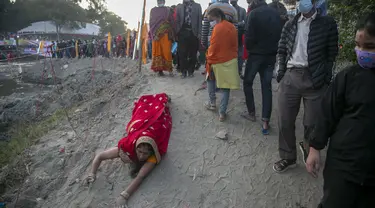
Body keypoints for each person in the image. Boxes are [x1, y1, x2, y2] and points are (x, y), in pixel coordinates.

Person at [306, 12, 375, 208]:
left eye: (369, 46)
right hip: (343, 166)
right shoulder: (347, 77)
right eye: (358, 45)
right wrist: (314, 148)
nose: (361, 51)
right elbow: (327, 113)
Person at [273, 0, 338, 173]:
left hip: (314, 79)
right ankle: (288, 156)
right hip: (290, 76)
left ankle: (310, 150)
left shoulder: (327, 24)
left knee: (312, 123)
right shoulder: (290, 24)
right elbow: (281, 48)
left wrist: (325, 77)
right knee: (285, 120)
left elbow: (332, 53)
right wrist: (281, 72)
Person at [85, 93, 172, 207]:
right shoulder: (127, 146)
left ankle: (164, 100)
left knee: (162, 116)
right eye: (139, 152)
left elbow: (141, 176)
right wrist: (92, 173)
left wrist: (124, 196)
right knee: (145, 111)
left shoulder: (153, 154)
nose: (141, 156)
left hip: (155, 130)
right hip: (141, 129)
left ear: (151, 152)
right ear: (135, 147)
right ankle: (162, 99)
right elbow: (100, 156)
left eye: (145, 154)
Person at [242, 0, 282, 135]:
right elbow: (280, 35)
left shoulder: (253, 14)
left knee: (247, 82)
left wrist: (251, 48)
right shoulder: (276, 14)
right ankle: (265, 121)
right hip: (270, 55)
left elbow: (248, 37)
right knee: (267, 86)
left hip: (256, 55)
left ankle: (251, 113)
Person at [205, 8, 240, 122]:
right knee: (226, 88)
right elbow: (235, 45)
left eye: (211, 19)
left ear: (217, 16)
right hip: (229, 61)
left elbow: (213, 46)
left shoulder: (217, 28)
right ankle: (222, 113)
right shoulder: (232, 27)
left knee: (210, 80)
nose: (210, 22)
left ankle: (212, 104)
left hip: (216, 61)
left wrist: (208, 57)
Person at [176, 0, 202, 78]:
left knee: (193, 53)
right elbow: (177, 20)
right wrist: (177, 32)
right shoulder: (179, 6)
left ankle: (191, 71)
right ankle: (183, 71)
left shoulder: (197, 6)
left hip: (193, 33)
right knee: (182, 53)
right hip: (182, 32)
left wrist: (199, 33)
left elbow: (200, 20)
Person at [149, 0, 175, 76]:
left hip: (166, 34)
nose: (160, 2)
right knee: (157, 52)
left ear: (164, 1)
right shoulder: (153, 10)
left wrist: (173, 34)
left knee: (167, 52)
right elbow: (151, 23)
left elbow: (172, 22)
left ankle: (170, 70)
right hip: (156, 35)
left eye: (161, 0)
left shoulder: (168, 10)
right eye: (159, 1)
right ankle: (160, 71)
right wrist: (153, 34)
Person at [230, 0, 246, 77]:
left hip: (239, 35)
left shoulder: (242, 10)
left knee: (239, 53)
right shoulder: (227, 9)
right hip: (229, 34)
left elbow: (245, 22)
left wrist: (236, 24)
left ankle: (239, 70)